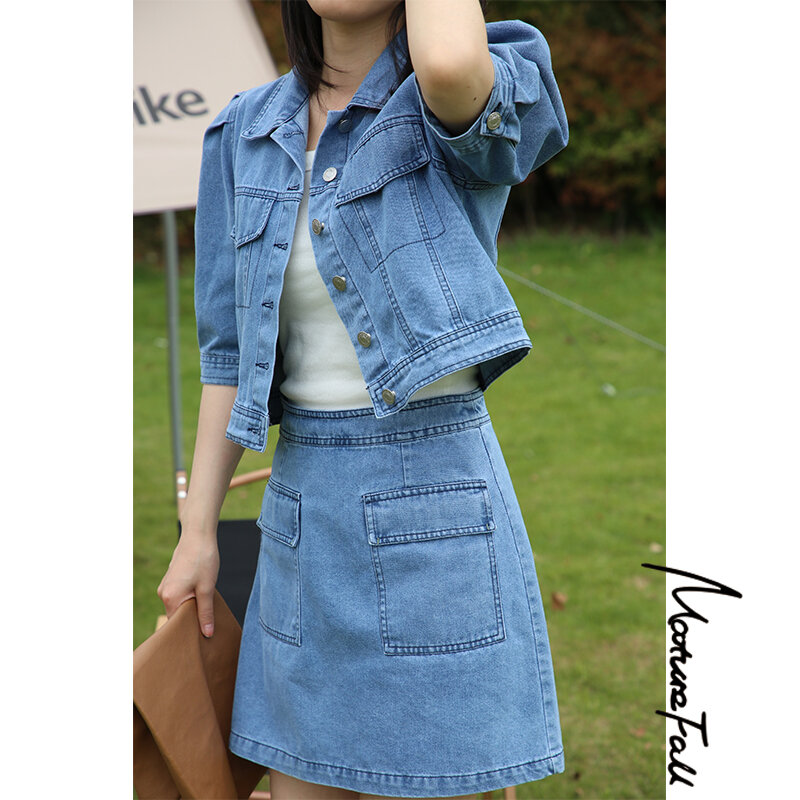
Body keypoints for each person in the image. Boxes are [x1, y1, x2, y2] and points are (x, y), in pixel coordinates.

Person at [157, 1, 569, 798]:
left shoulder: (451, 99)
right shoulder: (243, 132)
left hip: (438, 514)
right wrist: (199, 532)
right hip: (302, 522)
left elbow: (446, 62)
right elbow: (228, 354)